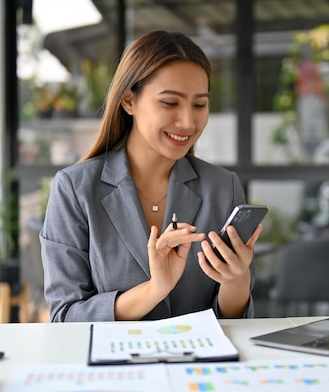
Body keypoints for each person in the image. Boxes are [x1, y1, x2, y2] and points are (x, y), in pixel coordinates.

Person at [40, 30, 262, 322]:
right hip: (113, 365)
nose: (187, 121)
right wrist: (154, 289)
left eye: (199, 104)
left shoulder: (222, 188)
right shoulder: (75, 189)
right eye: (170, 103)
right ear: (129, 100)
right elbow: (65, 317)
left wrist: (236, 279)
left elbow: (233, 323)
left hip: (198, 364)